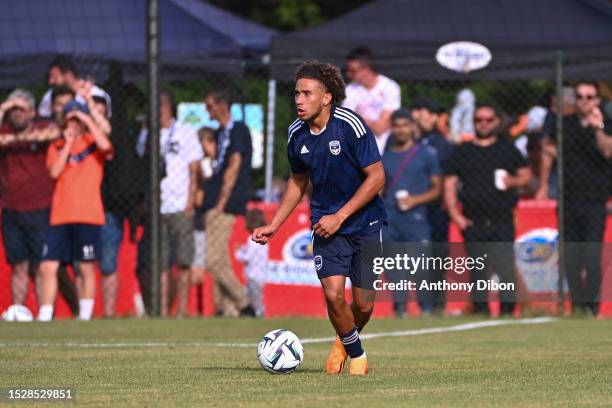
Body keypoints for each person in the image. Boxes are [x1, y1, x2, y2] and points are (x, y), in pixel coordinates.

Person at [253, 61, 387, 375]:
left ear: (326, 98)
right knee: (333, 294)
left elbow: (378, 177)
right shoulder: (295, 134)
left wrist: (341, 216)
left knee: (364, 305)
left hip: (365, 223)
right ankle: (357, 356)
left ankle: (343, 342)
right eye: (296, 93)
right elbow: (298, 181)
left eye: (307, 93)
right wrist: (274, 225)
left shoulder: (351, 125)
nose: (298, 100)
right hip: (326, 225)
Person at [444, 104, 532, 316]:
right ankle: (481, 310)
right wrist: (457, 216)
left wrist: (512, 181)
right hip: (473, 221)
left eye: (488, 120)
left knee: (505, 269)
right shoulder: (463, 151)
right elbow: (449, 185)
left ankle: (508, 310)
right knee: (478, 271)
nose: (483, 124)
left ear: (496, 122)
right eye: (478, 120)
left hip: (501, 219)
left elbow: (527, 176)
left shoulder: (507, 148)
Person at [540, 81, 612, 316]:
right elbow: (547, 149)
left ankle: (591, 307)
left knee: (591, 255)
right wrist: (542, 185)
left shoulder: (605, 124)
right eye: (580, 97)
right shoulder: (564, 125)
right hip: (568, 197)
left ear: (597, 101)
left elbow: (607, 150)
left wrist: (597, 127)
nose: (584, 101)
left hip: (594, 200)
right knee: (571, 256)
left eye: (589, 97)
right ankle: (578, 306)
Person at [37, 100, 113, 321]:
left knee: (86, 266)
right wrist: (68, 144)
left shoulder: (92, 143)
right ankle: (45, 314)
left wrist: (88, 119)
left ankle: (86, 315)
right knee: (48, 266)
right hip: (60, 216)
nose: (74, 123)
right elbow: (54, 172)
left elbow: (106, 147)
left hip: (88, 214)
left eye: (77, 119)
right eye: (70, 118)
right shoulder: (57, 146)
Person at [0, 90, 60, 306]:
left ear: (33, 112)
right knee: (19, 265)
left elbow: (55, 133)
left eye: (21, 109)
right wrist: (3, 108)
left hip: (40, 208)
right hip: (11, 209)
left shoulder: (43, 128)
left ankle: (44, 312)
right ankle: (18, 312)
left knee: (42, 265)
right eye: (13, 110)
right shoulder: (4, 130)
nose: (17, 114)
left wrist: (16, 139)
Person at [382, 109, 442, 317]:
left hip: (416, 218)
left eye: (405, 125)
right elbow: (379, 188)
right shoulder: (385, 156)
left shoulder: (426, 154)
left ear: (412, 127)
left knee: (420, 265)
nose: (401, 130)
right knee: (394, 266)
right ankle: (400, 309)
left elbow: (437, 188)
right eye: (397, 126)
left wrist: (415, 200)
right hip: (389, 216)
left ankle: (426, 308)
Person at [204, 90, 256, 318]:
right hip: (216, 200)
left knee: (213, 260)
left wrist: (221, 202)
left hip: (227, 203)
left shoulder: (238, 131)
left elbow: (234, 166)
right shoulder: (220, 133)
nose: (208, 111)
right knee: (221, 259)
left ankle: (244, 304)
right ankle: (229, 309)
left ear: (223, 105)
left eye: (210, 105)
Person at [411, 96, 453, 313]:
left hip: (434, 208)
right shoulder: (404, 140)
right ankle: (412, 304)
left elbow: (447, 175)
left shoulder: (441, 144)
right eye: (420, 110)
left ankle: (436, 304)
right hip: (409, 208)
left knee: (436, 256)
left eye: (429, 112)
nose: (424, 115)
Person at [343, 47, 401, 155]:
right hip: (359, 151)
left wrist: (358, 117)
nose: (348, 74)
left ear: (367, 69)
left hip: (386, 150)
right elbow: (347, 125)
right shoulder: (350, 90)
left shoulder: (390, 87)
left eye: (353, 71)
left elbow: (381, 128)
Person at [38, 56, 111, 119]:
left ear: (68, 74)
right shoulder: (49, 95)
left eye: (55, 76)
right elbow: (42, 117)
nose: (51, 81)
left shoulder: (97, 94)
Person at [235, 209, 269, 318]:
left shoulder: (251, 239)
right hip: (261, 275)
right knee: (256, 297)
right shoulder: (264, 238)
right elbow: (254, 253)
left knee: (254, 298)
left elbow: (247, 257)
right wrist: (244, 248)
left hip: (253, 276)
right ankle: (257, 313)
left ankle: (259, 314)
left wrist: (238, 253)